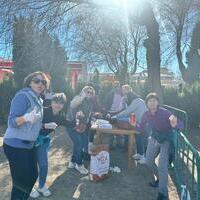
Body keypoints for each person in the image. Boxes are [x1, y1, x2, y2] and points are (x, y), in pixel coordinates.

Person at [3, 71, 49, 200]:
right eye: (37, 81)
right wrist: (26, 117)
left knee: (33, 175)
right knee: (20, 183)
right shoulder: (23, 96)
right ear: (30, 82)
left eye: (43, 82)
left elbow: (33, 124)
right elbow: (12, 122)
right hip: (15, 145)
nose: (41, 84)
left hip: (29, 145)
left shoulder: (39, 99)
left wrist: (45, 126)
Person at [138, 93, 183, 200]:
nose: (152, 103)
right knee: (148, 161)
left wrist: (175, 124)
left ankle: (163, 193)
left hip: (166, 139)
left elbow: (180, 124)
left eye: (154, 101)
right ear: (147, 103)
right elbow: (141, 127)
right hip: (154, 137)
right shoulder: (146, 114)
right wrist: (134, 124)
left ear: (158, 102)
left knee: (162, 165)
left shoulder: (165, 112)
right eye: (150, 101)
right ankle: (159, 179)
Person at [30, 93, 76, 198]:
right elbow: (30, 124)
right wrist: (45, 125)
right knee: (31, 166)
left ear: (63, 105)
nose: (58, 105)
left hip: (42, 142)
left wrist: (78, 117)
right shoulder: (43, 111)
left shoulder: (60, 117)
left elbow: (70, 124)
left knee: (44, 165)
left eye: (61, 103)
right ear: (51, 102)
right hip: (30, 141)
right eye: (56, 102)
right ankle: (29, 187)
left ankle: (41, 186)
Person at [66, 86, 95, 174]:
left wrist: (90, 119)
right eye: (87, 91)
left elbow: (87, 114)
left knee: (81, 143)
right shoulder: (78, 97)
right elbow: (73, 105)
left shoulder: (90, 102)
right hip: (72, 124)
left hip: (82, 126)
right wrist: (82, 96)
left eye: (91, 92)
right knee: (78, 142)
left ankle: (73, 161)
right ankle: (79, 164)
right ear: (83, 91)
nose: (89, 94)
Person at [113, 84, 147, 157]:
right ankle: (128, 149)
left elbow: (128, 111)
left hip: (142, 121)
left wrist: (116, 116)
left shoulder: (136, 100)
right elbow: (126, 110)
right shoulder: (130, 99)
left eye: (125, 90)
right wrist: (123, 102)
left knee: (139, 137)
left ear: (129, 90)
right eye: (123, 90)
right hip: (136, 120)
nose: (123, 92)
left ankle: (141, 155)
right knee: (129, 133)